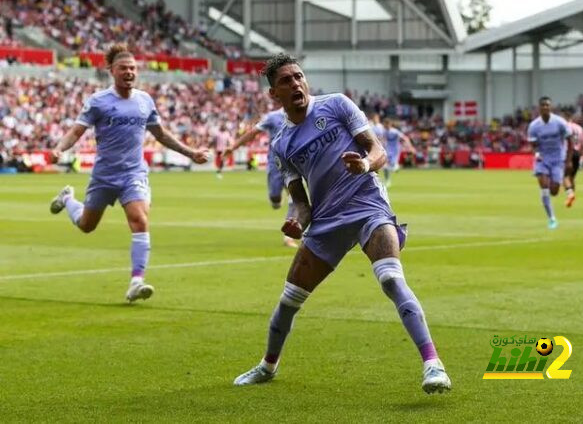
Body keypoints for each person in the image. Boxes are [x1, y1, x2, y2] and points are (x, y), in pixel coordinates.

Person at [233, 53, 451, 394]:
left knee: (392, 279)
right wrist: (296, 221)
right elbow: (301, 202)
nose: (296, 84)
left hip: (368, 207)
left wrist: (364, 165)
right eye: (286, 81)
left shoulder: (336, 104)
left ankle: (433, 365)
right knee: (289, 300)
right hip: (327, 222)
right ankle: (267, 365)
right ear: (274, 94)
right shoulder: (281, 145)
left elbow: (377, 150)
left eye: (299, 76)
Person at [49, 44, 210, 302]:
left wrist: (191, 153)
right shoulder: (98, 101)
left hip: (132, 173)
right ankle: (68, 198)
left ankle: (137, 281)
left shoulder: (145, 100)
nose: (129, 72)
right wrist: (59, 148)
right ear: (111, 70)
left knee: (139, 219)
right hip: (104, 175)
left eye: (133, 68)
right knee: (86, 226)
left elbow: (160, 134)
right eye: (123, 68)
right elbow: (76, 132)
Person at [225, 108, 298, 247]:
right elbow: (253, 132)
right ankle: (276, 198)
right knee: (275, 198)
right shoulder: (273, 117)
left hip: (294, 164)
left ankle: (288, 237)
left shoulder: (302, 115)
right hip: (275, 163)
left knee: (295, 198)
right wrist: (233, 147)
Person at [527, 97, 573, 229]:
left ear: (551, 107)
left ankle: (552, 211)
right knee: (544, 186)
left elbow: (570, 141)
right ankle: (552, 218)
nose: (545, 107)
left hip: (558, 159)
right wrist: (536, 153)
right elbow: (533, 143)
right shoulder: (534, 126)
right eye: (543, 105)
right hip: (542, 159)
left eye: (548, 105)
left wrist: (568, 161)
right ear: (539, 108)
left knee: (554, 191)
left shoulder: (559, 122)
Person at [562, 111, 583, 208]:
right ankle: (571, 200)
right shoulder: (580, 128)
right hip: (577, 153)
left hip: (568, 153)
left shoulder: (564, 127)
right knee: (572, 177)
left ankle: (570, 194)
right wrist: (581, 154)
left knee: (564, 176)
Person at [382, 118, 415, 188]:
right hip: (387, 150)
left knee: (391, 166)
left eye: (386, 124)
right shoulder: (384, 131)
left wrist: (410, 146)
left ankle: (395, 167)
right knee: (385, 167)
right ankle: (388, 180)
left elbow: (405, 138)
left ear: (390, 124)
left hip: (395, 150)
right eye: (384, 124)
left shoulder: (395, 131)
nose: (385, 126)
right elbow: (383, 139)